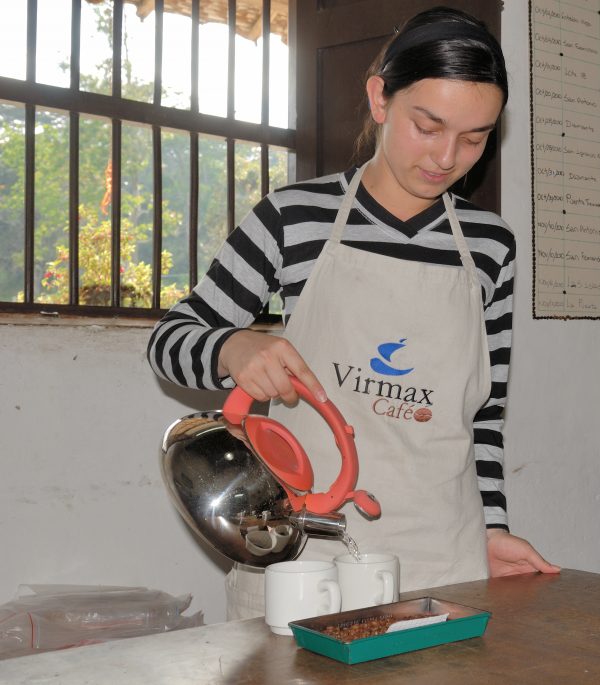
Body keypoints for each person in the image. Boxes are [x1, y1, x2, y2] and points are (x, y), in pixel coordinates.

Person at [148, 6, 559, 619]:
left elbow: (484, 416)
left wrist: (491, 530)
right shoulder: (294, 219)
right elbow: (170, 340)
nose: (448, 157)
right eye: (429, 125)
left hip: (442, 557)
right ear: (380, 99)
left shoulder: (490, 246)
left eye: (474, 138)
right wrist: (234, 348)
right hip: (305, 558)